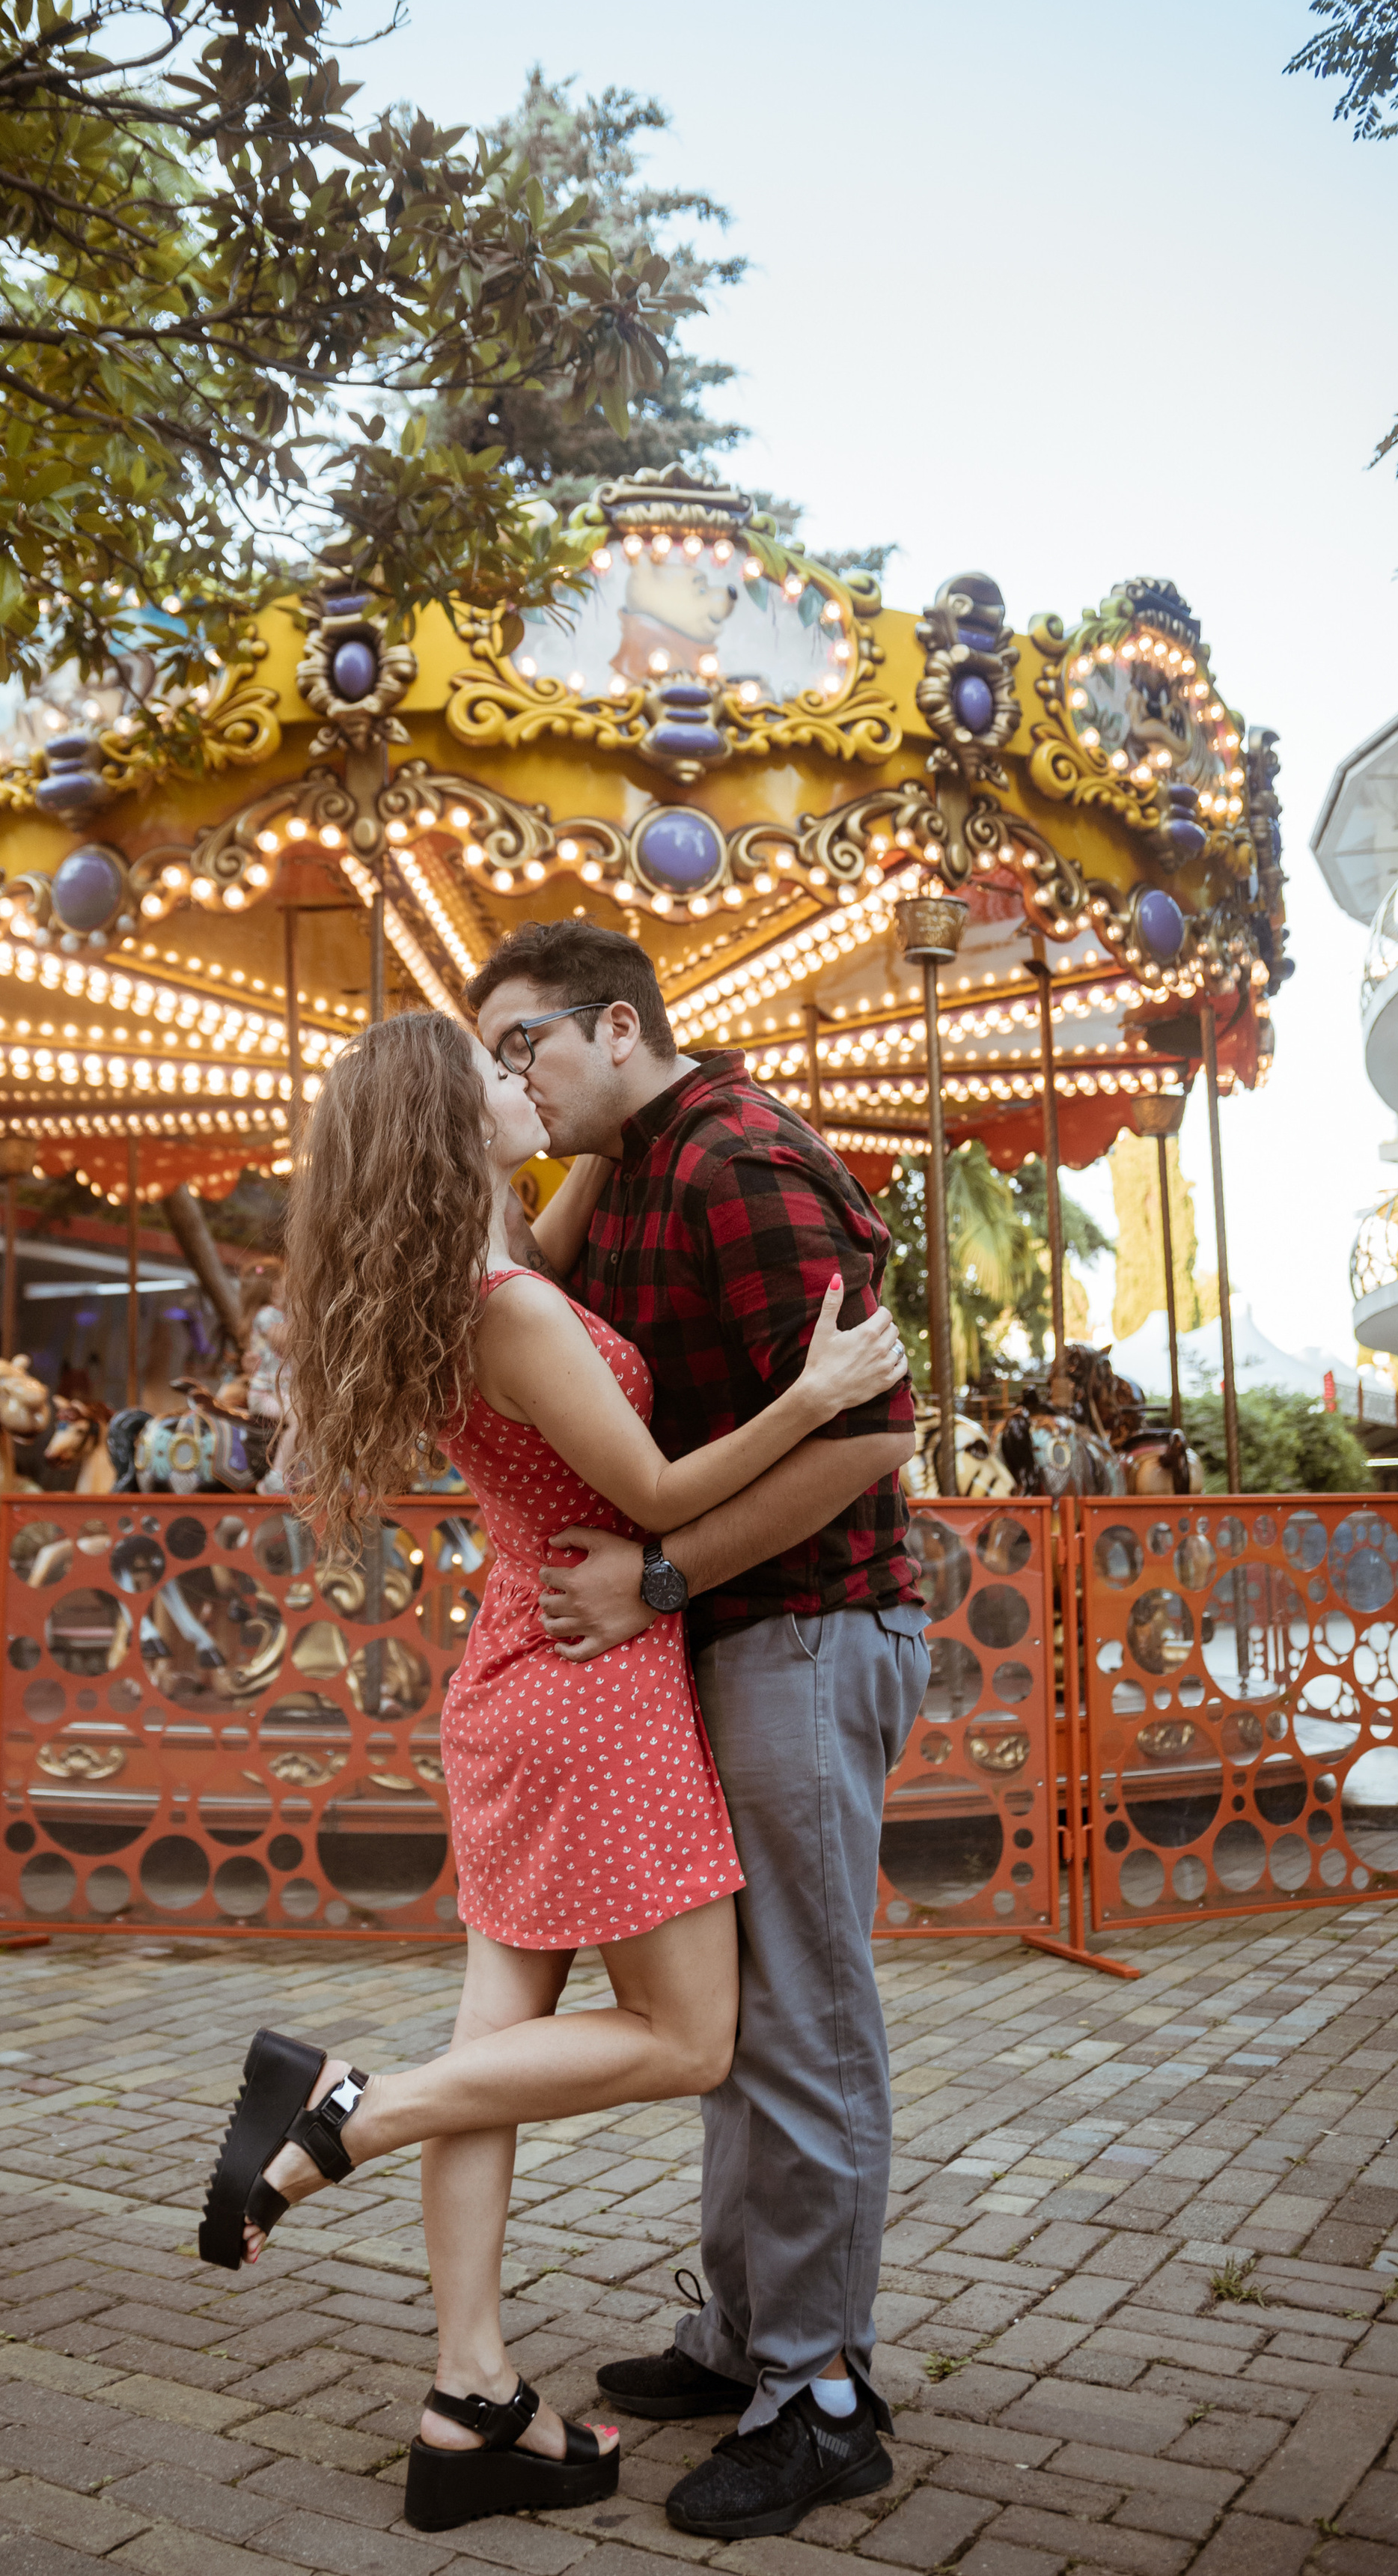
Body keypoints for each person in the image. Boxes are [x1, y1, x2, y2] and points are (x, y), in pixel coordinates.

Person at [196, 1009, 911, 2539]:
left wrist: (582, 1124)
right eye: (491, 1075)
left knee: (495, 2055)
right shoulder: (510, 1306)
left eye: (523, 1055)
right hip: (595, 1681)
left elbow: (540, 1193)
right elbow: (649, 1491)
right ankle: (344, 2109)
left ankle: (470, 2406)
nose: (519, 1083)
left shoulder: (454, 1277)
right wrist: (810, 1396)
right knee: (689, 2038)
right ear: (454, 1133)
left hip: (513, 1672)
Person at [464, 919, 927, 2546]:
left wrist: (659, 1574)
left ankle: (820, 2395)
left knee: (798, 2014)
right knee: (733, 2015)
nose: (507, 1076)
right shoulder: (644, 1156)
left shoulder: (735, 1161)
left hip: (803, 1626)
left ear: (612, 1024)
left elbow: (869, 1435)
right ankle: (744, 2335)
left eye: (524, 1044)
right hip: (733, 1637)